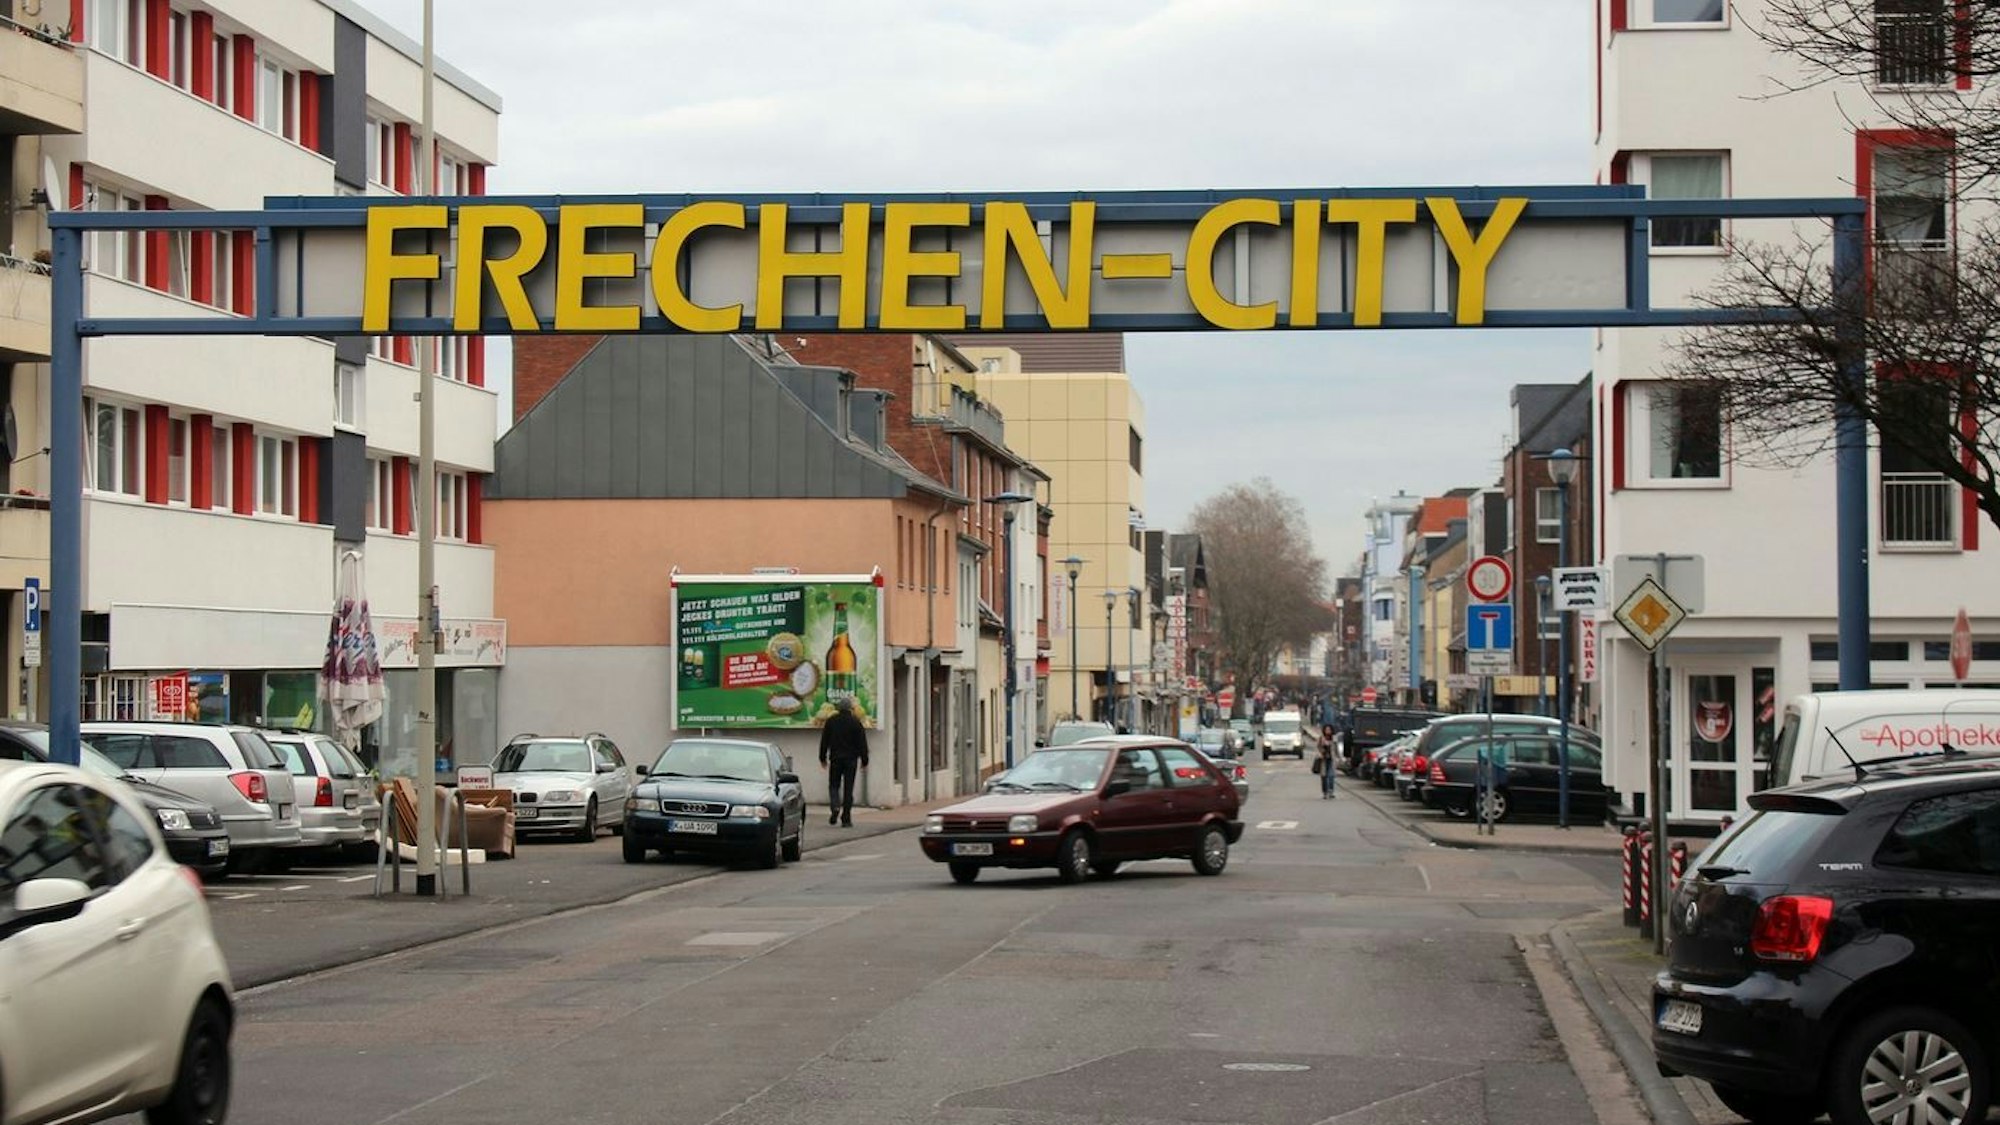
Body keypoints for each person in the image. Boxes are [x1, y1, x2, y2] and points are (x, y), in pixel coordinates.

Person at [818, 696, 870, 827]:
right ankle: (846, 818)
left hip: (835, 758)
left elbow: (824, 741)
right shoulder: (855, 722)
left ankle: (835, 806)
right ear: (851, 708)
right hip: (851, 760)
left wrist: (822, 757)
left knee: (834, 785)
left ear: (838, 708)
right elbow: (862, 743)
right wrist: (865, 760)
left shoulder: (831, 721)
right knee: (848, 788)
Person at [1316, 724, 1338, 799]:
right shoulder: (1321, 738)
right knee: (1324, 776)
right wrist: (1321, 753)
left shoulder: (1334, 738)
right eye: (1326, 729)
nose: (1328, 731)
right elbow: (1318, 747)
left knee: (1331, 776)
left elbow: (1336, 749)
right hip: (1323, 759)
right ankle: (1325, 792)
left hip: (1331, 759)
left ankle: (1331, 791)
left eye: (1329, 730)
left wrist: (1338, 757)